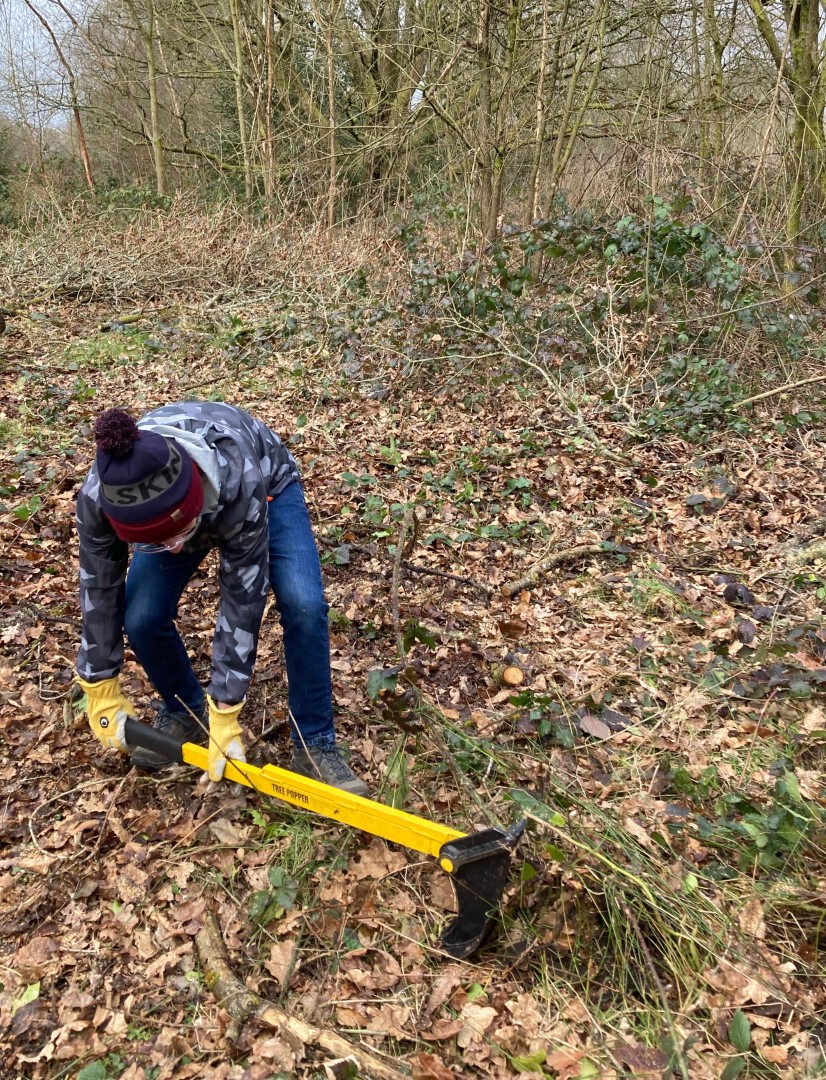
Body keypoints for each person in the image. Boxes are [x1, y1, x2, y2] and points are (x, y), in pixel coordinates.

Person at [74, 401, 369, 797]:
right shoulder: (101, 497)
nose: (175, 550)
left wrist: (227, 711)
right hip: (170, 509)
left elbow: (242, 600)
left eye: (177, 536)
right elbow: (99, 588)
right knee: (142, 617)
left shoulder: (241, 480)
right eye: (157, 541)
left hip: (267, 487)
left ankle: (314, 742)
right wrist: (100, 684)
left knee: (304, 605)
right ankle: (184, 709)